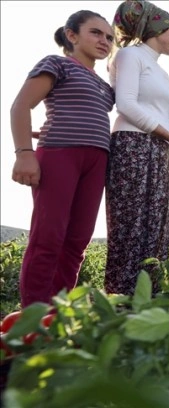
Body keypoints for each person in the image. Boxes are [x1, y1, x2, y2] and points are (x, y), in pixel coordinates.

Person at [10, 10, 115, 307]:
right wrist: (24, 154)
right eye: (95, 32)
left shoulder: (105, 87)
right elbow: (20, 106)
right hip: (60, 154)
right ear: (72, 35)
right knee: (49, 237)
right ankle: (32, 316)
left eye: (109, 37)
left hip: (97, 162)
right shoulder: (56, 64)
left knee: (77, 241)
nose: (104, 41)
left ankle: (57, 313)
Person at [106, 0, 169, 295]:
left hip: (159, 149)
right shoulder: (131, 56)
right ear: (157, 29)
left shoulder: (160, 72)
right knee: (130, 224)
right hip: (132, 145)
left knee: (156, 224)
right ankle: (121, 299)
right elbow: (126, 105)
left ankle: (150, 296)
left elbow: (166, 117)